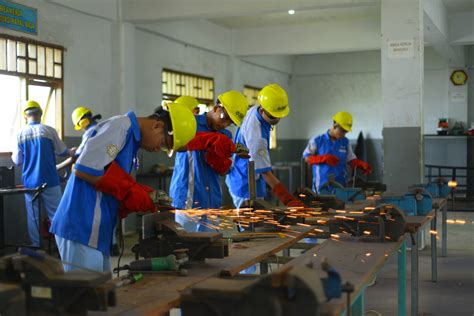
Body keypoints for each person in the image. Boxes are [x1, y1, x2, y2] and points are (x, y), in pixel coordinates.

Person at [50, 105, 196, 272]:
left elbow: (108, 173)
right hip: (82, 226)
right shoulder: (120, 127)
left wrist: (144, 193)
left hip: (96, 231)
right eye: (162, 143)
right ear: (158, 125)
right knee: (85, 294)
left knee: (101, 292)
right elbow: (84, 168)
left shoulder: (129, 140)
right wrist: (131, 191)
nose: (157, 149)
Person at [170, 92, 248, 232]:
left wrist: (219, 160)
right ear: (217, 108)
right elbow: (177, 146)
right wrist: (208, 140)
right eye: (225, 118)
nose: (225, 125)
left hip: (212, 200)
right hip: (187, 197)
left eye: (230, 123)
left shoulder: (226, 136)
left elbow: (226, 171)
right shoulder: (190, 123)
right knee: (184, 245)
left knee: (210, 247)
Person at [225, 83, 304, 209]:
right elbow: (266, 173)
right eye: (273, 117)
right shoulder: (257, 137)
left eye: (279, 116)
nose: (276, 120)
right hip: (246, 185)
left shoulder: (255, 110)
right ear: (262, 110)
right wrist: (287, 199)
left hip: (242, 176)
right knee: (252, 225)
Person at [11, 100, 75, 248]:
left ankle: (36, 249)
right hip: (50, 181)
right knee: (58, 216)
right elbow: (62, 151)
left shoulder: (20, 134)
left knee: (33, 218)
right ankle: (64, 248)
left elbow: (17, 160)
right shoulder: (49, 131)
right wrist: (71, 152)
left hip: (30, 184)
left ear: (25, 117)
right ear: (40, 114)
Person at [302, 111, 372, 193]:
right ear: (335, 126)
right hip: (320, 187)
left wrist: (360, 164)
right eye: (342, 131)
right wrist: (323, 158)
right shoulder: (317, 140)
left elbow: (351, 160)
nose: (344, 134)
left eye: (346, 132)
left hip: (340, 187)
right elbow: (306, 159)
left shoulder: (345, 142)